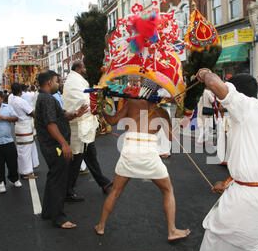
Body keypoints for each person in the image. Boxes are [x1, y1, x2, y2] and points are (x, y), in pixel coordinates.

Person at [176, 71, 258, 251]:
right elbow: (252, 161)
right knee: (247, 249)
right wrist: (227, 183)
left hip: (254, 197)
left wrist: (204, 73)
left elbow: (216, 84)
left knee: (215, 229)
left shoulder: (247, 107)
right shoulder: (254, 113)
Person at [94, 98, 191, 241]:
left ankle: (101, 226)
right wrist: (178, 116)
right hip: (149, 155)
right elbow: (172, 137)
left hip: (129, 151)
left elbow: (113, 121)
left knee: (115, 191)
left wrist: (101, 110)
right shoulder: (162, 112)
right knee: (168, 190)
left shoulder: (132, 103)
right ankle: (172, 230)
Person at [35, 70, 88, 229]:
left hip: (51, 145)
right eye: (58, 81)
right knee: (59, 181)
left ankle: (48, 211)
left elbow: (60, 115)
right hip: (55, 147)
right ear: (50, 82)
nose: (60, 84)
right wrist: (64, 144)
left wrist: (75, 114)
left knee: (53, 178)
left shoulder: (46, 98)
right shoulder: (47, 99)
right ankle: (59, 217)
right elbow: (51, 124)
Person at [63, 61, 113, 201]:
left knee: (91, 155)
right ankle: (67, 191)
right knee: (76, 159)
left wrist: (96, 96)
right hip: (79, 126)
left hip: (84, 125)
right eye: (84, 67)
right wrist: (96, 101)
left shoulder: (76, 80)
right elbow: (82, 101)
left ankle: (104, 182)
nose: (85, 69)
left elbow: (86, 97)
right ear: (78, 69)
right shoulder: (73, 81)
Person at [8, 83, 38, 179]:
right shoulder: (21, 101)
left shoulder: (11, 100)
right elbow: (31, 112)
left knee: (22, 150)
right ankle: (26, 172)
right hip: (24, 126)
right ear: (21, 91)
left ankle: (25, 170)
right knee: (26, 150)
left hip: (18, 126)